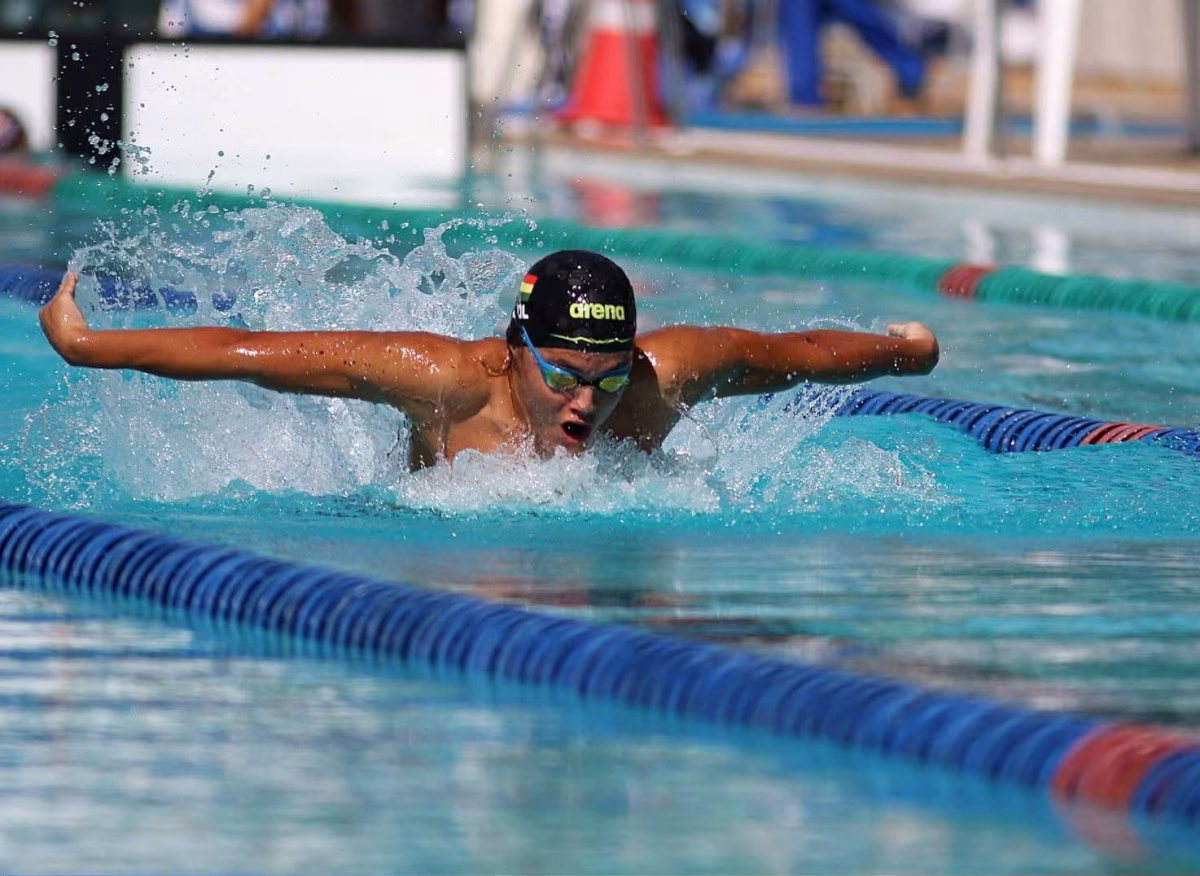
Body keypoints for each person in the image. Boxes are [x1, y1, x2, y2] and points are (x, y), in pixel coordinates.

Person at [39, 250, 939, 470]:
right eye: (563, 376)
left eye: (606, 378)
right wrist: (86, 345)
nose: (587, 402)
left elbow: (799, 354)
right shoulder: (443, 381)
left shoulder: (665, 374)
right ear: (513, 354)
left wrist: (905, 353)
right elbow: (250, 354)